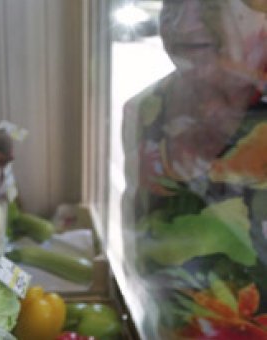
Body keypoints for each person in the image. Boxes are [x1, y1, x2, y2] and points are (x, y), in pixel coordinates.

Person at [121, 0, 267, 338]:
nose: (181, 26)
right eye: (172, 4)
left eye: (210, 4)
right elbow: (138, 251)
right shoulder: (145, 112)